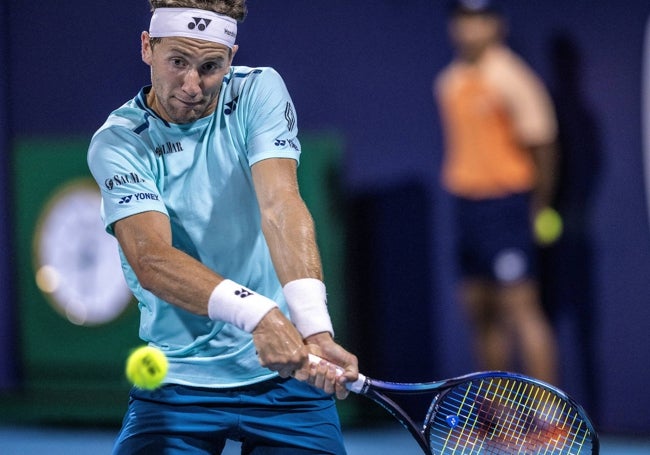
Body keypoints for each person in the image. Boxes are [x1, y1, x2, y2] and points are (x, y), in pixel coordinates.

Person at [87, 1, 358, 453]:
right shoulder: (117, 142)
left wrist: (314, 328)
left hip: (286, 376)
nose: (192, 85)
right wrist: (260, 315)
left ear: (231, 57)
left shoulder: (258, 91)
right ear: (146, 48)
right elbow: (151, 259)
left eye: (210, 66)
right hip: (178, 382)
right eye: (177, 62)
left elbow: (281, 206)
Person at [433, 0, 559, 384]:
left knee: (522, 310)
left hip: (508, 206)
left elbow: (543, 144)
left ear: (496, 25)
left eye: (480, 20)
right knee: (479, 310)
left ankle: (548, 419)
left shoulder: (512, 77)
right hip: (466, 207)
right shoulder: (450, 80)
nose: (471, 28)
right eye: (463, 20)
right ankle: (496, 416)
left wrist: (541, 206)